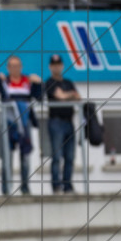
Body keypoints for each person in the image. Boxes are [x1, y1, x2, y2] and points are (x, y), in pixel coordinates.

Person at [0, 55, 42, 195]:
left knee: (25, 156)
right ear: (8, 68)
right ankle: (6, 190)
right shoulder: (3, 81)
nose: (15, 68)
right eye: (12, 66)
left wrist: (38, 84)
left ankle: (25, 188)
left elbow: (40, 98)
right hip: (8, 124)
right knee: (7, 157)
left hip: (25, 124)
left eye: (17, 66)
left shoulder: (28, 81)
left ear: (21, 67)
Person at [44, 54, 80, 194]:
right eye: (54, 65)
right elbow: (61, 97)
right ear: (50, 67)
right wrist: (69, 95)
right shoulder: (49, 82)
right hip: (56, 122)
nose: (56, 67)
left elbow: (78, 98)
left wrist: (67, 95)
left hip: (69, 122)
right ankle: (56, 186)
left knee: (70, 157)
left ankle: (67, 186)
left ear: (62, 66)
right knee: (57, 156)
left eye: (58, 64)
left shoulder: (68, 82)